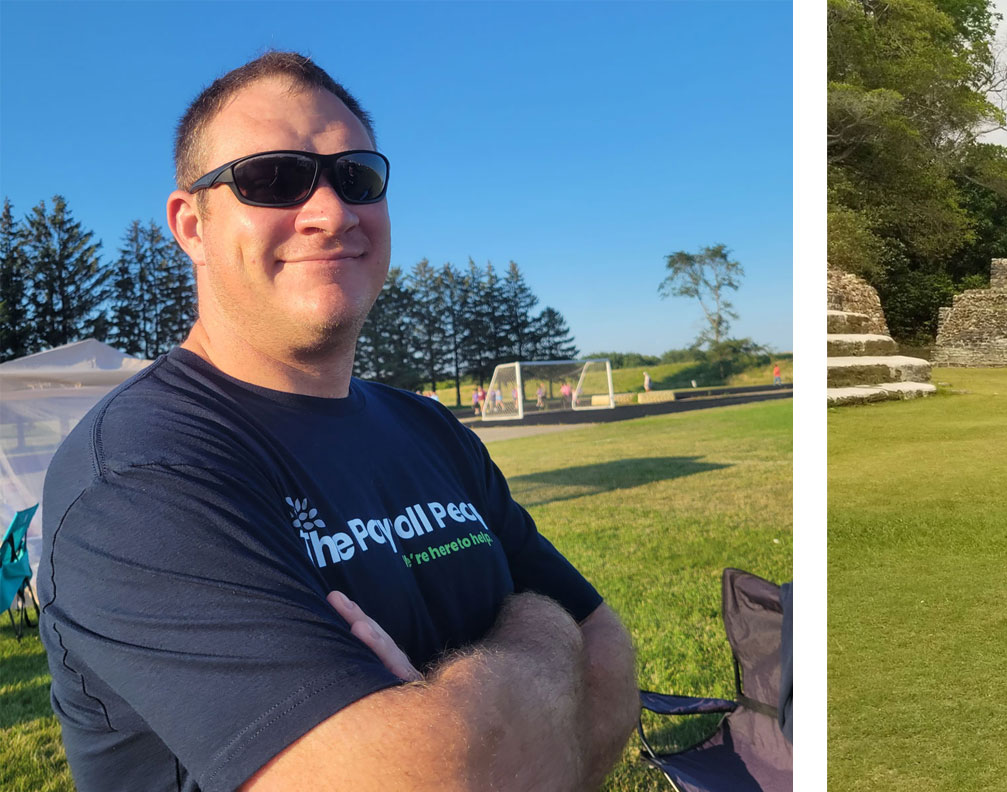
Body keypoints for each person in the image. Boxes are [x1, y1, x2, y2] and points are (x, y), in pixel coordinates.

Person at [37, 51, 638, 791]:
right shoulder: (139, 475)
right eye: (272, 179)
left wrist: (460, 710)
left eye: (356, 177)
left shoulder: (429, 429)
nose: (331, 212)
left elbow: (608, 658)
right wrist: (546, 638)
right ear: (190, 224)